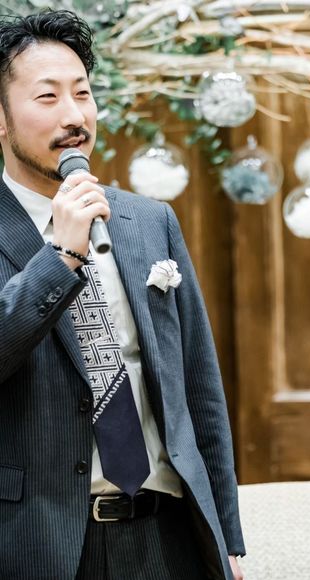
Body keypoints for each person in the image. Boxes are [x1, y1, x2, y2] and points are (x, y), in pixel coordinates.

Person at [0, 9, 245, 580]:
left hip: (166, 537)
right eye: (47, 97)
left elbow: (198, 387)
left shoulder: (148, 221)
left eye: (82, 93)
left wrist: (226, 539)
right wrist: (61, 256)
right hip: (39, 543)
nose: (74, 115)